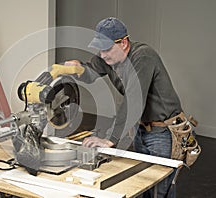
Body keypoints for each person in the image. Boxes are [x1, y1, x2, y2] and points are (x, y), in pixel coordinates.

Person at [53, 17, 183, 198]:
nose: (102, 54)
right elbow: (91, 71)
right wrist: (78, 68)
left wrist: (111, 138)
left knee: (161, 189)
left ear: (123, 43)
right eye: (99, 49)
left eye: (106, 49)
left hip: (163, 131)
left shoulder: (143, 56)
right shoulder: (108, 59)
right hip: (141, 128)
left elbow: (133, 100)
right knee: (143, 183)